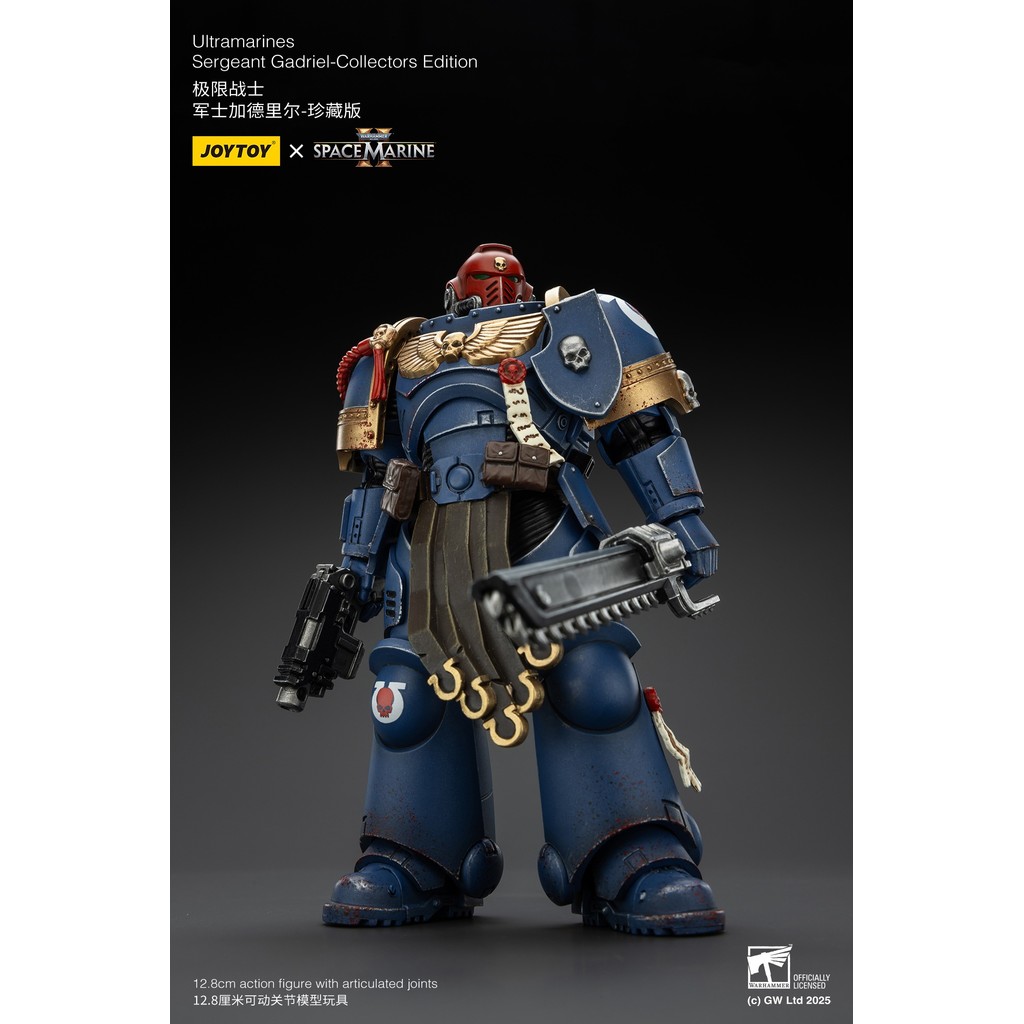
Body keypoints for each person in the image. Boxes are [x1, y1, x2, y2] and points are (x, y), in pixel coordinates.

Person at [319, 243, 724, 935]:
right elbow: (378, 477)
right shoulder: (394, 353)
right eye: (480, 276)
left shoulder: (577, 323)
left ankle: (630, 850)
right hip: (427, 554)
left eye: (505, 276)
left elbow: (640, 429)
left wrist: (680, 517)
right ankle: (413, 855)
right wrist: (358, 566)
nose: (494, 280)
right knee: (407, 698)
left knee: (592, 685)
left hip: (547, 542)